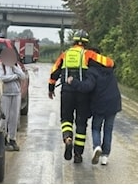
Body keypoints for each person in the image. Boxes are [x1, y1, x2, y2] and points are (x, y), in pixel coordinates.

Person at [48, 29, 114, 163]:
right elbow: (109, 63)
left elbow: (54, 71)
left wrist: (51, 88)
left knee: (66, 119)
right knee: (81, 123)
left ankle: (67, 138)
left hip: (67, 91)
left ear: (74, 41)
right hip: (83, 93)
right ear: (86, 42)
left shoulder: (65, 55)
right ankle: (78, 154)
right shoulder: (88, 54)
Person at [67, 48, 122, 165]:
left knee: (96, 128)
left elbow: (87, 87)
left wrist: (74, 82)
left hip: (100, 104)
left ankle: (97, 146)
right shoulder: (109, 69)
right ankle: (105, 157)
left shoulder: (92, 71)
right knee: (108, 129)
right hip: (114, 103)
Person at [0, 48, 26, 151]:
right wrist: (14, 76)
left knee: (14, 118)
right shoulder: (1, 66)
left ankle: (12, 139)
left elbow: (22, 76)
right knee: (4, 118)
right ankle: (3, 138)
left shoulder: (16, 65)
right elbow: (0, 78)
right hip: (5, 94)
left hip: (16, 94)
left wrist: (14, 68)